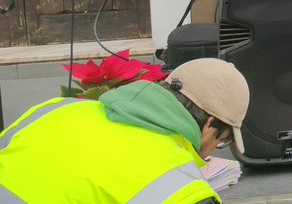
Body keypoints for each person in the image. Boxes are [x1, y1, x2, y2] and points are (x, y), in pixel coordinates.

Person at [0, 58, 249, 203]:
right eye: (222, 141)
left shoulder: (53, 110)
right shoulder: (183, 191)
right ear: (210, 125)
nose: (209, 153)